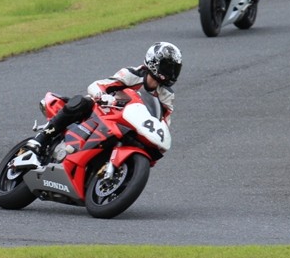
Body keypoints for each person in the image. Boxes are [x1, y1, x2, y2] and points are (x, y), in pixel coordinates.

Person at [21, 42, 182, 166]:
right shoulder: (132, 74)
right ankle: (40, 139)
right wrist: (102, 96)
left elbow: (164, 121)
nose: (171, 73)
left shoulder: (167, 95)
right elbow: (98, 85)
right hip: (107, 110)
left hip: (131, 123)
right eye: (168, 67)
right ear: (154, 62)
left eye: (175, 69)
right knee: (83, 101)